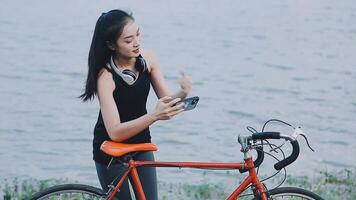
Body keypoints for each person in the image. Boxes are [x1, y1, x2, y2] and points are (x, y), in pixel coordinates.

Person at [79, 9, 192, 199]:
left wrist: (183, 92)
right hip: (110, 151)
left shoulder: (148, 59)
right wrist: (154, 115)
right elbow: (115, 131)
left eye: (138, 35)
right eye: (128, 40)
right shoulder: (105, 77)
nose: (136, 43)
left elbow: (167, 102)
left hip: (140, 144)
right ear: (111, 45)